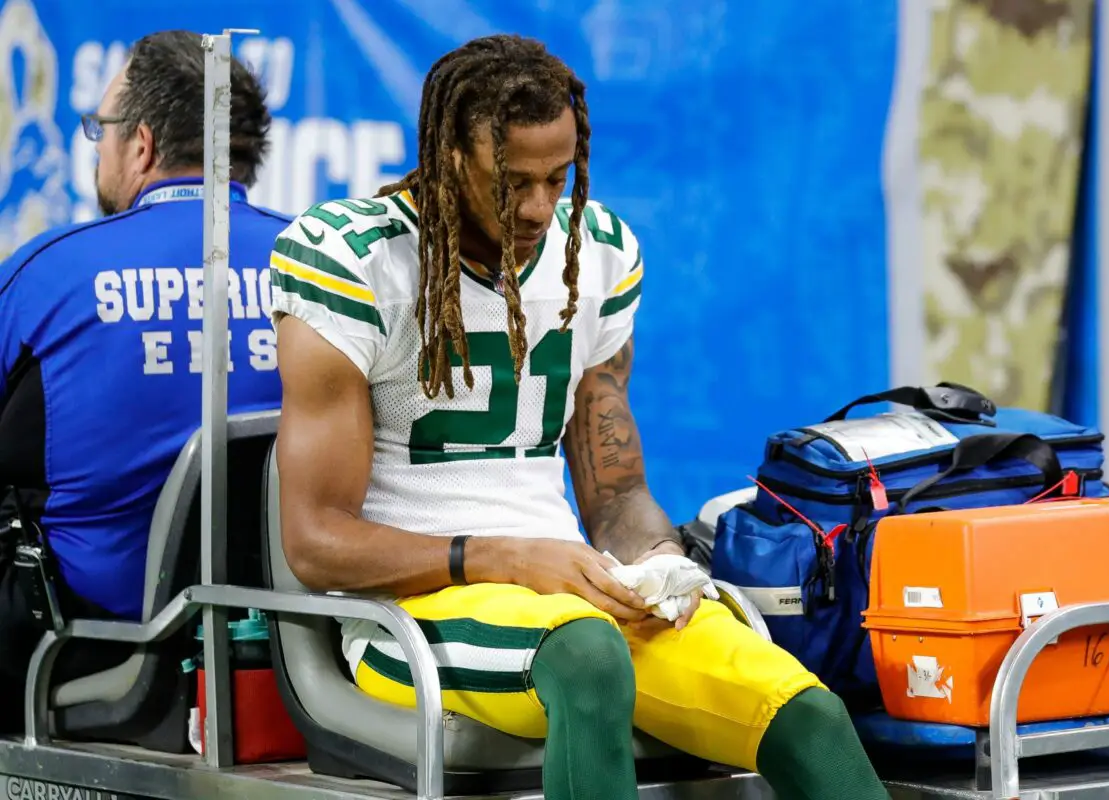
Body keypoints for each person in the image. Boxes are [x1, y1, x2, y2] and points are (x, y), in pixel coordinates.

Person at [269, 34, 889, 800]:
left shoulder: (594, 254)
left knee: (805, 710)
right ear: (448, 156)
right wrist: (506, 557)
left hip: (568, 591)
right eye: (511, 182)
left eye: (556, 180)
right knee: (588, 655)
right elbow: (315, 542)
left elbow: (617, 493)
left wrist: (660, 559)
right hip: (407, 611)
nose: (537, 207)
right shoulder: (355, 260)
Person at [0, 30, 287, 732]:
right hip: (285, 641)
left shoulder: (48, 276)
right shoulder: (325, 270)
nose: (97, 146)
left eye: (101, 130)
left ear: (142, 145)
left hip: (74, 647)